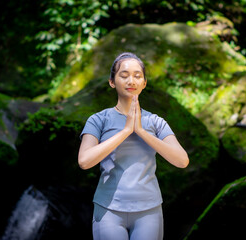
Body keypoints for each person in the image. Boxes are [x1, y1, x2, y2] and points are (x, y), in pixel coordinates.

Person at [78, 52, 189, 240]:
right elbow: (84, 161)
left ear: (144, 83)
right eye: (124, 75)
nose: (131, 80)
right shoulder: (98, 120)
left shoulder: (155, 122)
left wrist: (142, 131)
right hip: (108, 210)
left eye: (137, 76)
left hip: (149, 211)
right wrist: (126, 131)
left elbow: (182, 160)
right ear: (112, 82)